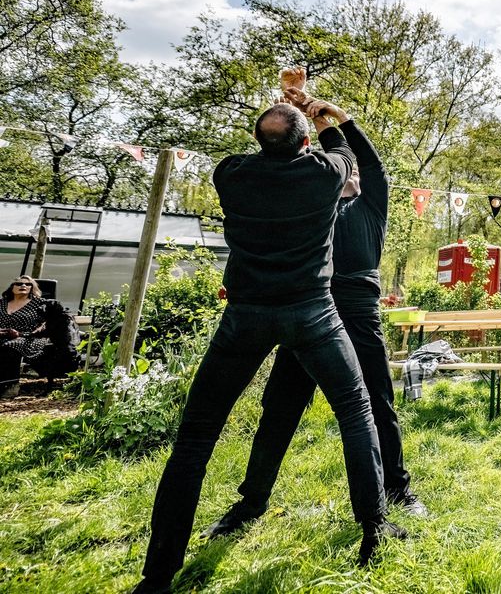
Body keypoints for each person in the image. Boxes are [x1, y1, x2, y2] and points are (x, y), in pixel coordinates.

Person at [131, 101, 399, 594]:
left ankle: (158, 575)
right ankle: (373, 528)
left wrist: (288, 114)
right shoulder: (325, 174)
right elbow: (342, 151)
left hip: (245, 317)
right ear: (305, 144)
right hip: (313, 314)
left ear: (259, 141)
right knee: (356, 414)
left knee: (194, 441)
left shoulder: (229, 174)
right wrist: (326, 118)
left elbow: (278, 150)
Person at [202, 92, 425, 543]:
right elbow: (282, 158)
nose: (349, 172)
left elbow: (370, 163)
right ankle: (251, 502)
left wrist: (335, 118)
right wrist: (302, 121)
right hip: (306, 312)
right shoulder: (308, 201)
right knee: (278, 411)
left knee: (377, 404)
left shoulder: (369, 207)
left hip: (357, 315)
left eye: (352, 168)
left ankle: (396, 489)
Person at [0, 276, 53, 397]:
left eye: (27, 284)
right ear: (12, 287)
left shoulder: (40, 303)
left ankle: (9, 386)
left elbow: (49, 323)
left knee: (10, 345)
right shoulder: (2, 302)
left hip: (29, 337)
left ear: (32, 288)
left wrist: (22, 334)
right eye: (19, 284)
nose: (23, 286)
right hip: (2, 335)